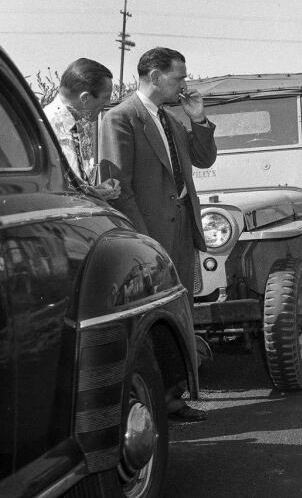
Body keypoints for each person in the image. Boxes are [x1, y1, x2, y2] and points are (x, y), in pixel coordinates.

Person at [98, 46, 217, 421]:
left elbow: (203, 158)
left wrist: (198, 119)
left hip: (181, 227)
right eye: (178, 77)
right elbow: (119, 186)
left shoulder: (169, 118)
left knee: (180, 312)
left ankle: (172, 396)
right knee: (156, 317)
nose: (184, 83)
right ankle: (156, 402)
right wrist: (144, 242)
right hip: (150, 237)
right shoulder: (121, 118)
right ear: (154, 77)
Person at [42, 57, 120, 200]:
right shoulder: (47, 128)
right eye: (105, 97)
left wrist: (94, 191)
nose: (108, 103)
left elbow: (70, 184)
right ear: (85, 98)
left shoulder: (72, 124)